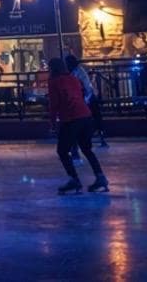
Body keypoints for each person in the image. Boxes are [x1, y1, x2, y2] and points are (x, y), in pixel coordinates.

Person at [47, 56, 108, 194]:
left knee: (62, 151)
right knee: (87, 149)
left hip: (71, 118)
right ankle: (100, 177)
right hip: (85, 116)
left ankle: (74, 179)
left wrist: (52, 123)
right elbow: (81, 94)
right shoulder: (73, 79)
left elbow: (54, 104)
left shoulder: (54, 81)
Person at [66, 52, 107, 148]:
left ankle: (97, 137)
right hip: (85, 98)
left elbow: (86, 87)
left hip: (87, 98)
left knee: (92, 118)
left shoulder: (78, 72)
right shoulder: (76, 71)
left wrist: (85, 100)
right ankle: (99, 137)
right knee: (94, 118)